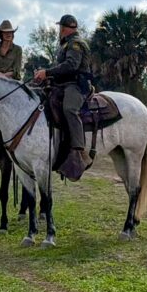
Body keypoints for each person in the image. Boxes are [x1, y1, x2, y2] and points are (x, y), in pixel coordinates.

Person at [34, 14, 93, 181]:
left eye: (60, 27)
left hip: (75, 85)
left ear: (64, 28)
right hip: (63, 85)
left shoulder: (75, 44)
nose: (59, 31)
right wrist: (45, 75)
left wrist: (48, 72)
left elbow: (71, 66)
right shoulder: (66, 44)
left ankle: (78, 151)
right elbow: (62, 67)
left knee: (69, 109)